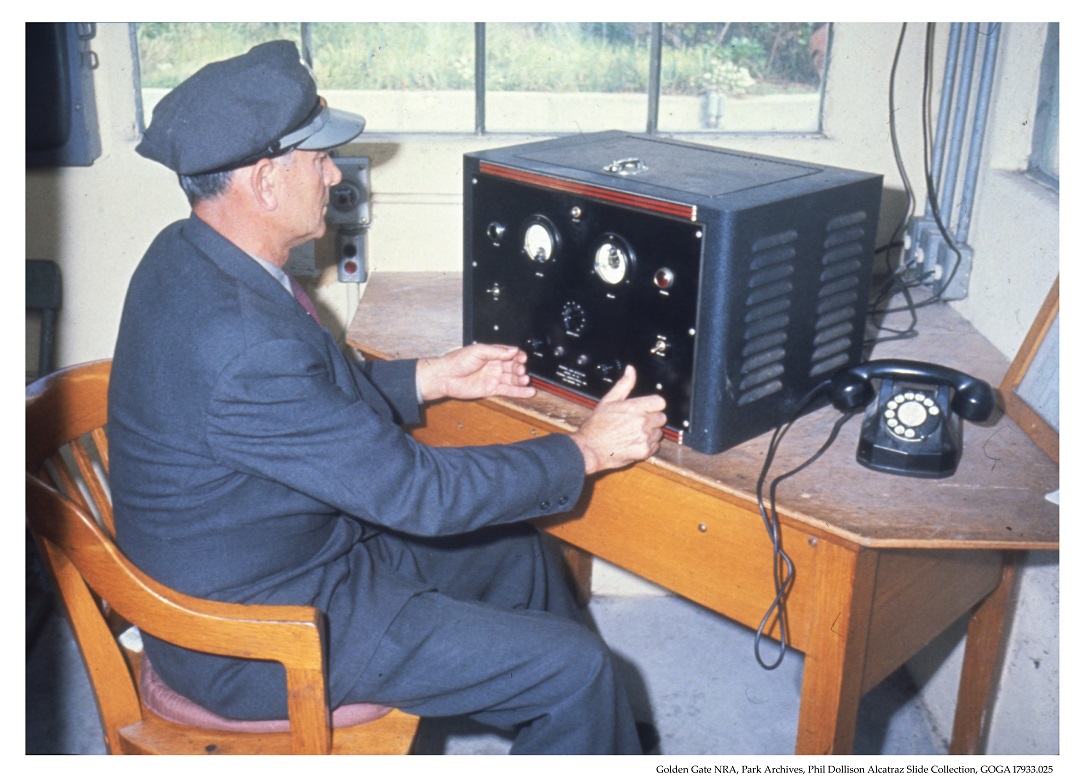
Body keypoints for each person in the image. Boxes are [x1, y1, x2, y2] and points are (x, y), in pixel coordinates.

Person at [108, 40, 667, 755]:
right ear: (264, 182)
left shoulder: (187, 253)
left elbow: (301, 408)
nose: (334, 173)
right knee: (576, 669)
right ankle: (576, 709)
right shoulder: (244, 343)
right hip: (263, 632)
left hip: (279, 552)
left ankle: (594, 738)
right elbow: (419, 494)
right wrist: (585, 448)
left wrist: (429, 376)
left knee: (516, 552)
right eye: (317, 159)